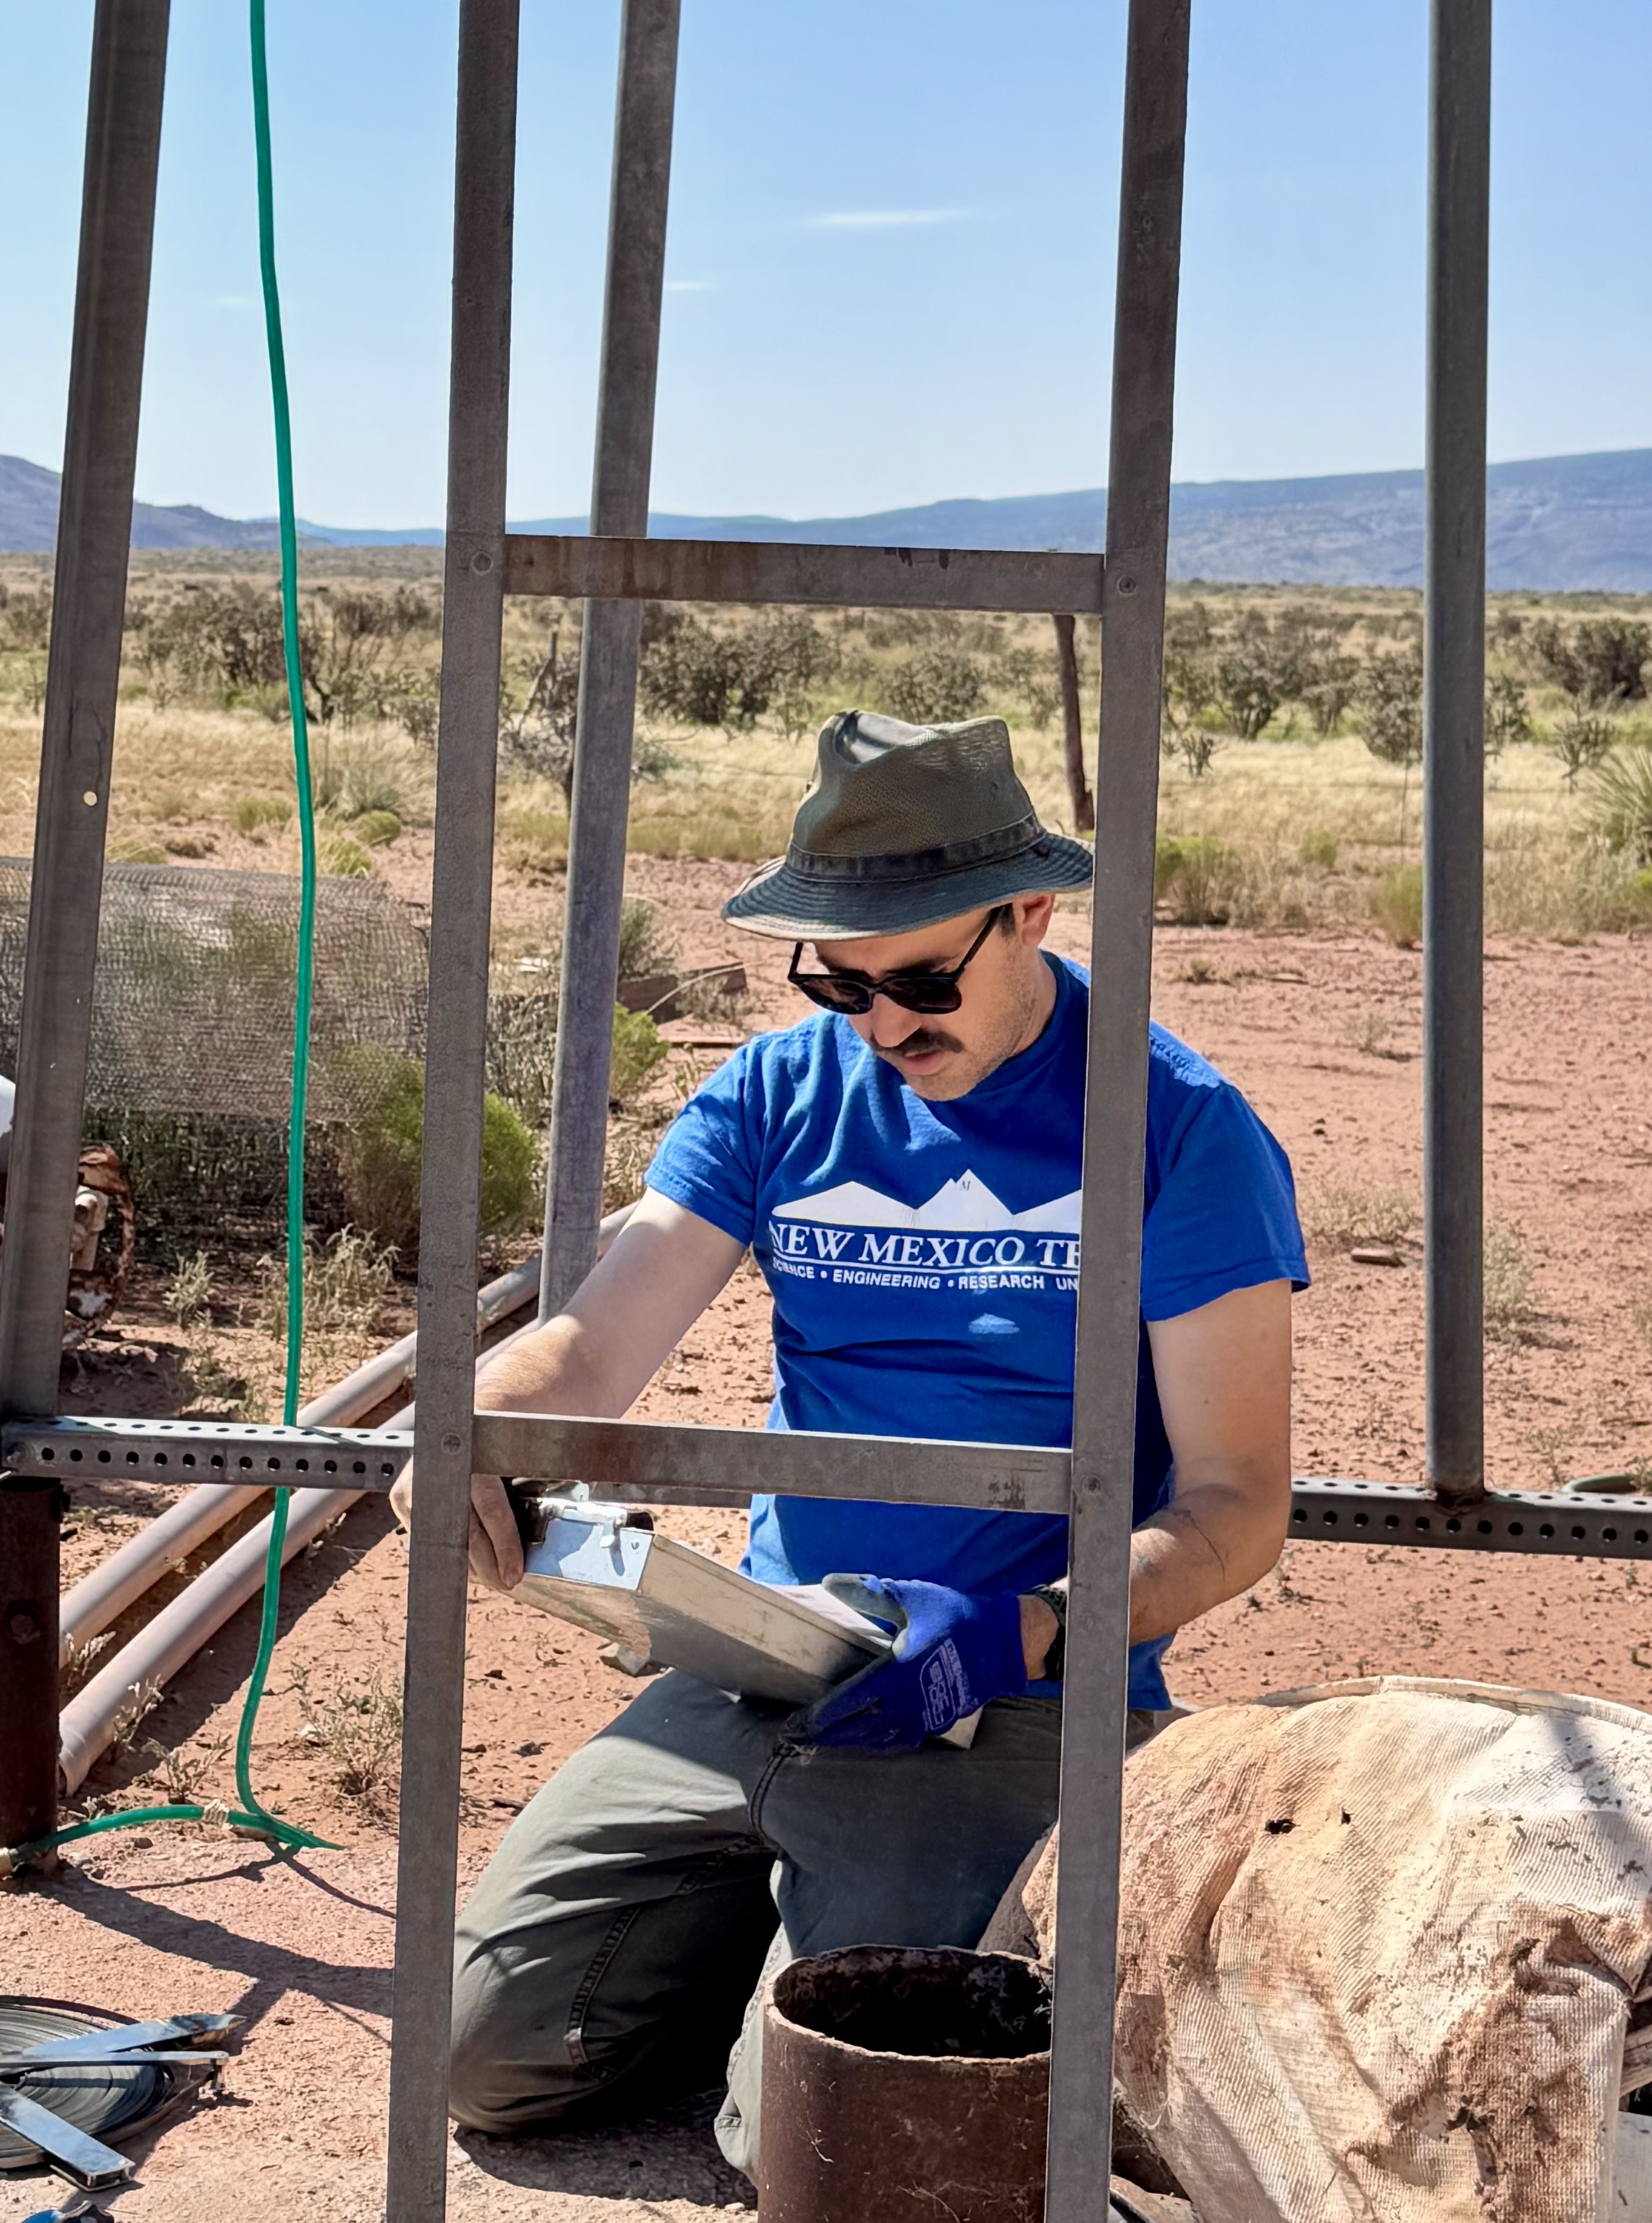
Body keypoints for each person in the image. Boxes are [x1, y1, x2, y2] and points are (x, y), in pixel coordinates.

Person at [391, 709, 1307, 2175]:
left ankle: (861, 1980)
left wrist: (1032, 1630)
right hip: (762, 1660)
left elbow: (1234, 1503)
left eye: (921, 979)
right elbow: (595, 1346)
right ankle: (773, 1952)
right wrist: (476, 1430)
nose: (882, 1026)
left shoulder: (1175, 1127)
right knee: (478, 2061)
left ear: (1030, 912)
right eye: (837, 982)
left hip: (1001, 1695)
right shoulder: (775, 1094)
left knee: (819, 2156)